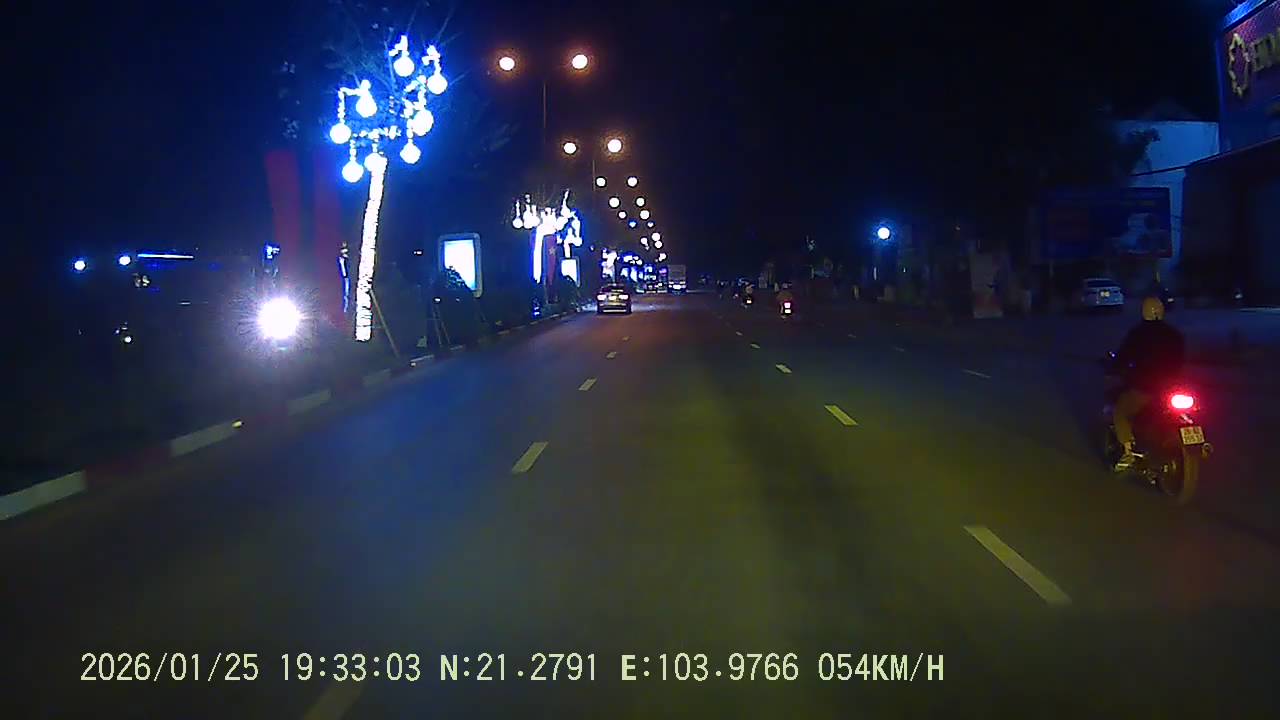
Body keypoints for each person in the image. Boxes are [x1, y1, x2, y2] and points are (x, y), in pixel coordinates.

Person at [1111, 297, 1186, 470]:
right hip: (1172, 388)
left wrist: (1116, 367)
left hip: (1145, 387)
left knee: (1120, 411)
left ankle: (1128, 452)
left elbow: (1123, 357)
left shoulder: (1138, 334)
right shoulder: (1174, 334)